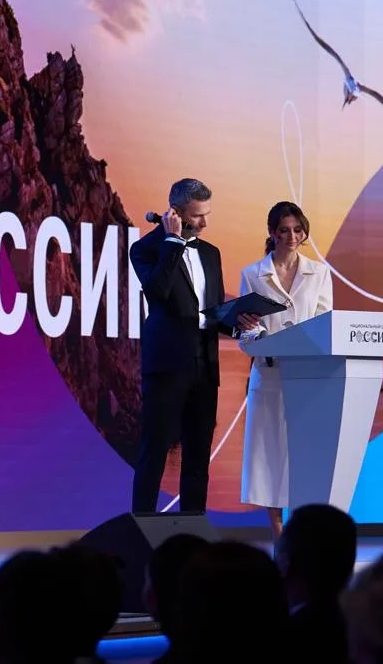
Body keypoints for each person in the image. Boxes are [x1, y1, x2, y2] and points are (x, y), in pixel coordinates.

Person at [129, 178, 259, 514]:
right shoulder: (146, 249)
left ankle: (193, 527)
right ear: (176, 213)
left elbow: (212, 312)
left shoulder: (210, 253)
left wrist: (239, 324)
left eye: (207, 214)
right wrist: (172, 241)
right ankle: (142, 526)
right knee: (155, 449)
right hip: (168, 364)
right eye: (197, 216)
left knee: (199, 455)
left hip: (205, 365)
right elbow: (157, 291)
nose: (204, 223)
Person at [237, 202, 333, 539]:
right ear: (272, 232)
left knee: (303, 457)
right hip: (269, 375)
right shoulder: (253, 274)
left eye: (297, 230)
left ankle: (302, 534)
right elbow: (245, 331)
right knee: (269, 458)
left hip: (308, 378)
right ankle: (280, 536)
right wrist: (259, 336)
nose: (291, 236)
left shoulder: (319, 273)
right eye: (284, 230)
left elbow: (325, 324)